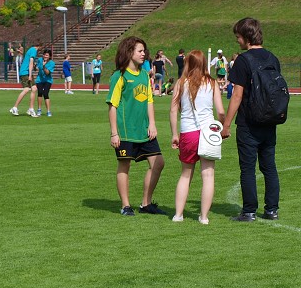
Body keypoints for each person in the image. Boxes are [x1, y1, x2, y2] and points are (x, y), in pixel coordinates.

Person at [221, 17, 282, 222]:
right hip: (270, 120)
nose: (237, 41)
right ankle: (272, 209)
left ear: (247, 37)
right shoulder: (273, 58)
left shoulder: (243, 60)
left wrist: (226, 124)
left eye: (238, 37)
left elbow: (237, 95)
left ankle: (249, 211)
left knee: (248, 168)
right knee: (269, 166)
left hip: (248, 122)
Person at [106, 36, 165, 216]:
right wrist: (114, 133)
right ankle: (125, 206)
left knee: (158, 163)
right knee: (124, 166)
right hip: (125, 132)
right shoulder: (119, 76)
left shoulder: (144, 75)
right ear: (129, 52)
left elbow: (149, 101)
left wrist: (152, 124)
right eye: (140, 51)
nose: (143, 54)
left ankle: (146, 204)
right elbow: (112, 106)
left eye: (144, 51)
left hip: (145, 131)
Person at [169, 50, 225, 225]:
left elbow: (173, 110)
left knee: (185, 175)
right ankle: (204, 217)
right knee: (208, 175)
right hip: (208, 133)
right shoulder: (212, 83)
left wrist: (174, 134)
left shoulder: (181, 83)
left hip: (188, 133)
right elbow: (221, 111)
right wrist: (222, 128)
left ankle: (178, 214)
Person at [9, 43, 39, 117]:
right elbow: (31, 62)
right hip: (25, 72)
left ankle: (30, 109)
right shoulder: (34, 50)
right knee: (26, 89)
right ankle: (15, 108)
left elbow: (31, 63)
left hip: (25, 72)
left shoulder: (30, 50)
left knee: (34, 88)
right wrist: (30, 75)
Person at [35, 49, 55, 117]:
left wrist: (44, 66)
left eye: (46, 55)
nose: (45, 56)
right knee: (40, 92)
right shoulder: (40, 60)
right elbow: (37, 68)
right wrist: (35, 67)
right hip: (39, 79)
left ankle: (48, 111)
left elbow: (47, 73)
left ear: (49, 56)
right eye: (44, 55)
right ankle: (39, 109)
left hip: (47, 80)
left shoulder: (52, 63)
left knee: (45, 93)